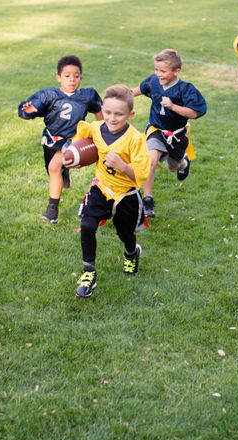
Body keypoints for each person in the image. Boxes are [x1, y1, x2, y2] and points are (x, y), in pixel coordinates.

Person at [71, 85, 150, 298]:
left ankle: (132, 253)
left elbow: (142, 174)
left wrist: (123, 166)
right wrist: (75, 155)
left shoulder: (135, 139)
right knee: (87, 225)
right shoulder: (96, 128)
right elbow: (83, 135)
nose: (112, 118)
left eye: (119, 114)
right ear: (102, 109)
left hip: (126, 194)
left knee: (124, 233)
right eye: (107, 112)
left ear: (130, 114)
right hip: (101, 188)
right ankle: (89, 273)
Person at [18, 55, 103, 223]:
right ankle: (64, 173)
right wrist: (27, 111)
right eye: (67, 76)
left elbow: (100, 117)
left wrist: (104, 132)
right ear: (58, 77)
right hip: (51, 139)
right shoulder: (49, 95)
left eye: (76, 76)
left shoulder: (87, 95)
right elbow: (28, 110)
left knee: (54, 167)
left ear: (81, 77)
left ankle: (52, 211)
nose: (72, 79)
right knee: (53, 170)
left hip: (73, 138)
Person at [132, 49, 207, 217]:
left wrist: (173, 106)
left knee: (173, 166)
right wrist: (121, 97)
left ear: (176, 71)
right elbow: (136, 91)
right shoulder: (154, 82)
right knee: (150, 160)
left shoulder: (186, 89)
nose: (158, 74)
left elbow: (194, 113)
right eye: (156, 69)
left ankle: (184, 163)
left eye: (163, 71)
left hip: (177, 135)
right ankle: (148, 199)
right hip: (156, 130)